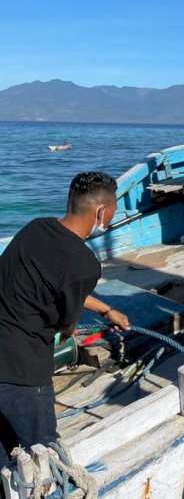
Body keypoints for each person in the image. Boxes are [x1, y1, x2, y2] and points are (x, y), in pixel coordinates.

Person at [0, 172, 130, 470]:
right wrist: (69, 328)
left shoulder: (36, 228)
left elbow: (54, 282)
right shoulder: (85, 265)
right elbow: (67, 326)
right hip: (22, 371)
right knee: (43, 456)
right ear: (100, 212)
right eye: (112, 209)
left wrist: (106, 310)